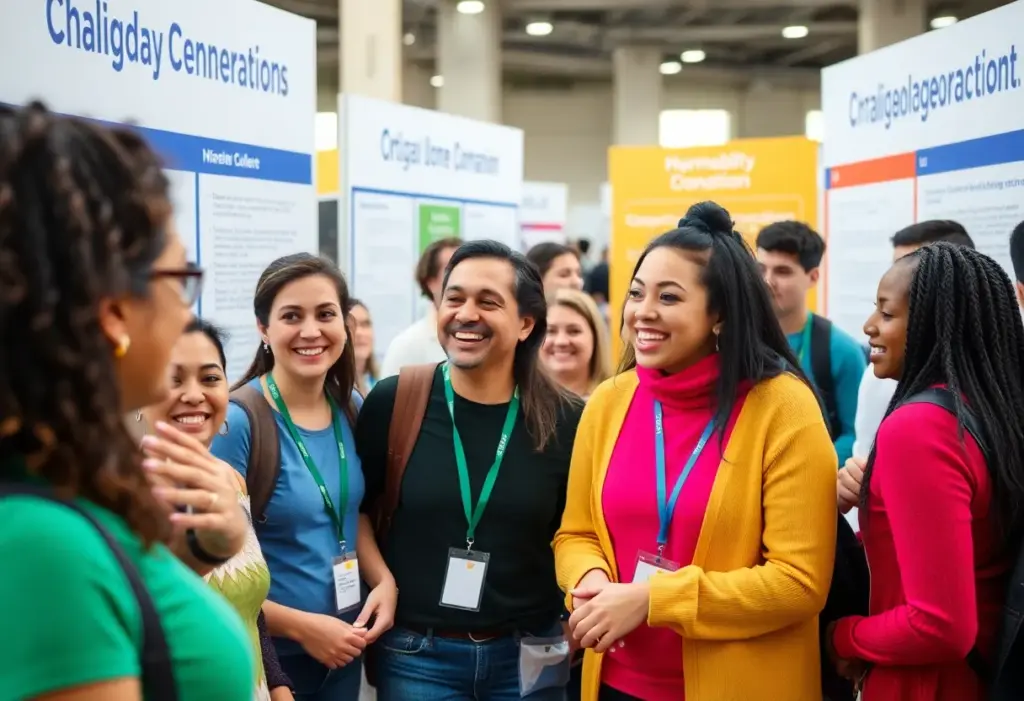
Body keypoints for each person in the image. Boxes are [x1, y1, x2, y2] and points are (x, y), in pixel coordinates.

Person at [0, 102, 254, 700]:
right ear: (114, 311)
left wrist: (199, 550)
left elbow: (139, 629)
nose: (187, 314)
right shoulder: (43, 545)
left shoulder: (65, 479)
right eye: (180, 281)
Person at [555, 202, 837, 701]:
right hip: (615, 682)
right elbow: (576, 533)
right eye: (637, 293)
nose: (642, 311)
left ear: (720, 315)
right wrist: (590, 580)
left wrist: (653, 599)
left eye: (668, 297)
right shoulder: (609, 400)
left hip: (742, 687)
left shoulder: (784, 408)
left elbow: (799, 582)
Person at [356, 239, 584, 701]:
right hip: (418, 656)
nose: (465, 314)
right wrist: (382, 580)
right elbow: (359, 510)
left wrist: (573, 617)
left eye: (488, 302)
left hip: (529, 653)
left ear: (526, 324)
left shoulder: (566, 419)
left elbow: (579, 531)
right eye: (454, 298)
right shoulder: (396, 401)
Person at [826, 243, 1024, 700]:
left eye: (886, 313)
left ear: (934, 323)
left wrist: (843, 636)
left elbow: (939, 624)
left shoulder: (920, 427)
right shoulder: (991, 412)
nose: (869, 326)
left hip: (924, 682)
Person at [212, 253, 397, 701]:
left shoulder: (351, 406)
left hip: (345, 647)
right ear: (264, 329)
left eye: (325, 314)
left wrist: (384, 581)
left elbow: (352, 514)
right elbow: (213, 573)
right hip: (271, 661)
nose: (311, 331)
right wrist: (303, 628)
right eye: (292, 316)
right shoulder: (238, 422)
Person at [142, 319, 295, 701]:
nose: (194, 395)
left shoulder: (231, 479)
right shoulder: (126, 498)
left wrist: (279, 687)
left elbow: (249, 609)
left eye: (210, 378)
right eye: (173, 379)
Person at [839, 221, 975, 525]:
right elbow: (863, 468)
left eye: (917, 271)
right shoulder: (878, 379)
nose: (870, 326)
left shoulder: (917, 421)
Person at [756, 220, 866, 465]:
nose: (767, 281)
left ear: (813, 277)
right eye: (760, 269)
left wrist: (805, 469)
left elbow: (855, 434)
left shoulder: (841, 350)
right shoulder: (733, 339)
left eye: (782, 271)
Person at [380, 237, 461, 378]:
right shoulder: (407, 346)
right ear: (431, 282)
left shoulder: (486, 338)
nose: (463, 278)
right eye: (453, 270)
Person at [542, 288, 613, 399]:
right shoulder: (518, 402)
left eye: (574, 331)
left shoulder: (618, 401)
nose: (561, 341)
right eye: (550, 331)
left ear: (595, 336)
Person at [350, 299, 378, 395]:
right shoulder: (330, 391)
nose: (359, 333)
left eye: (365, 324)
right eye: (351, 326)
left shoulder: (377, 383)